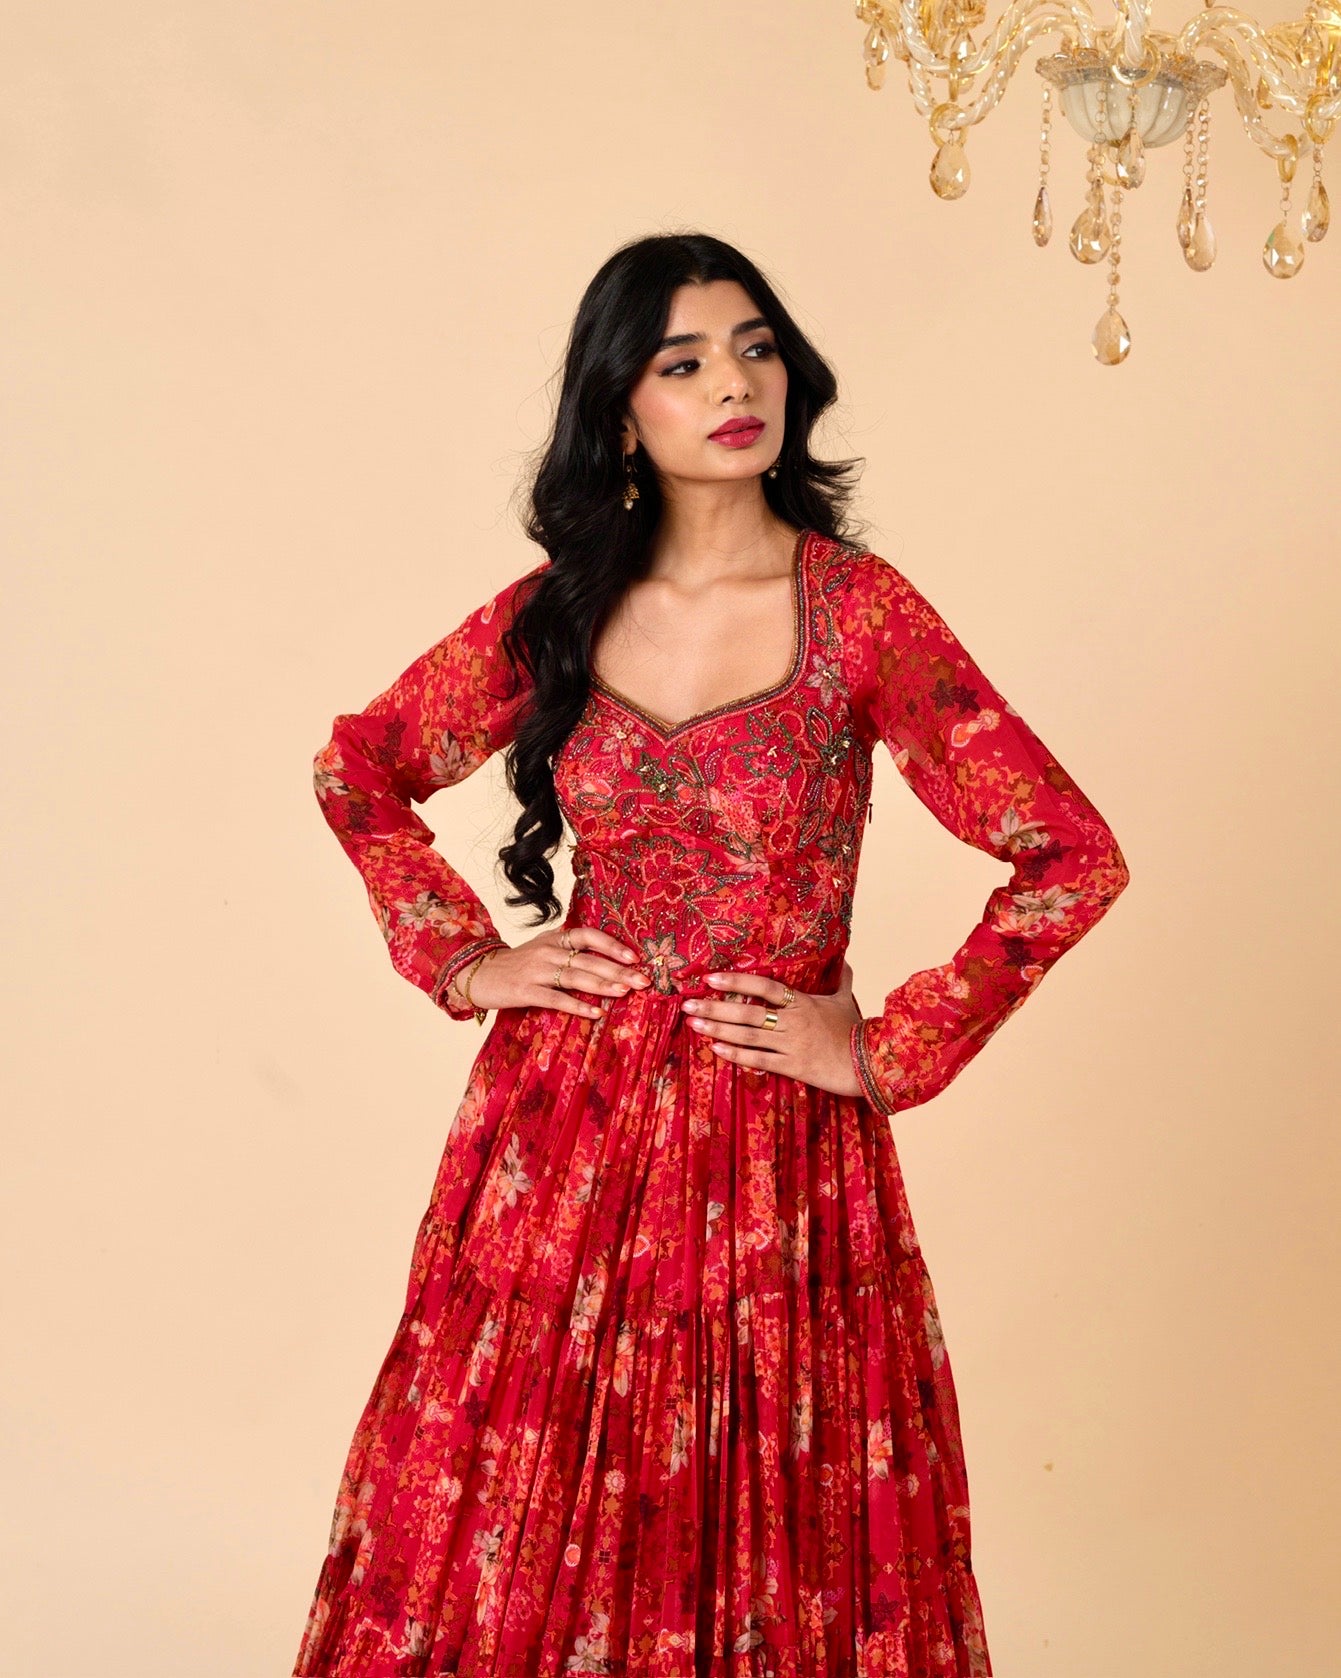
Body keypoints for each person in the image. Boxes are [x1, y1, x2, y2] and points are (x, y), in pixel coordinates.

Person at [292, 231, 1130, 1678]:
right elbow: (357, 766)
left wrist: (881, 1046)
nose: (733, 383)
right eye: (681, 363)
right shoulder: (560, 611)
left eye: (753, 347)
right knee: (522, 1503)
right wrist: (466, 958)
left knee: (774, 1505)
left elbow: (1068, 850)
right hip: (563, 1145)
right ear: (621, 409)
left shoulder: (861, 615)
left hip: (773, 1153)